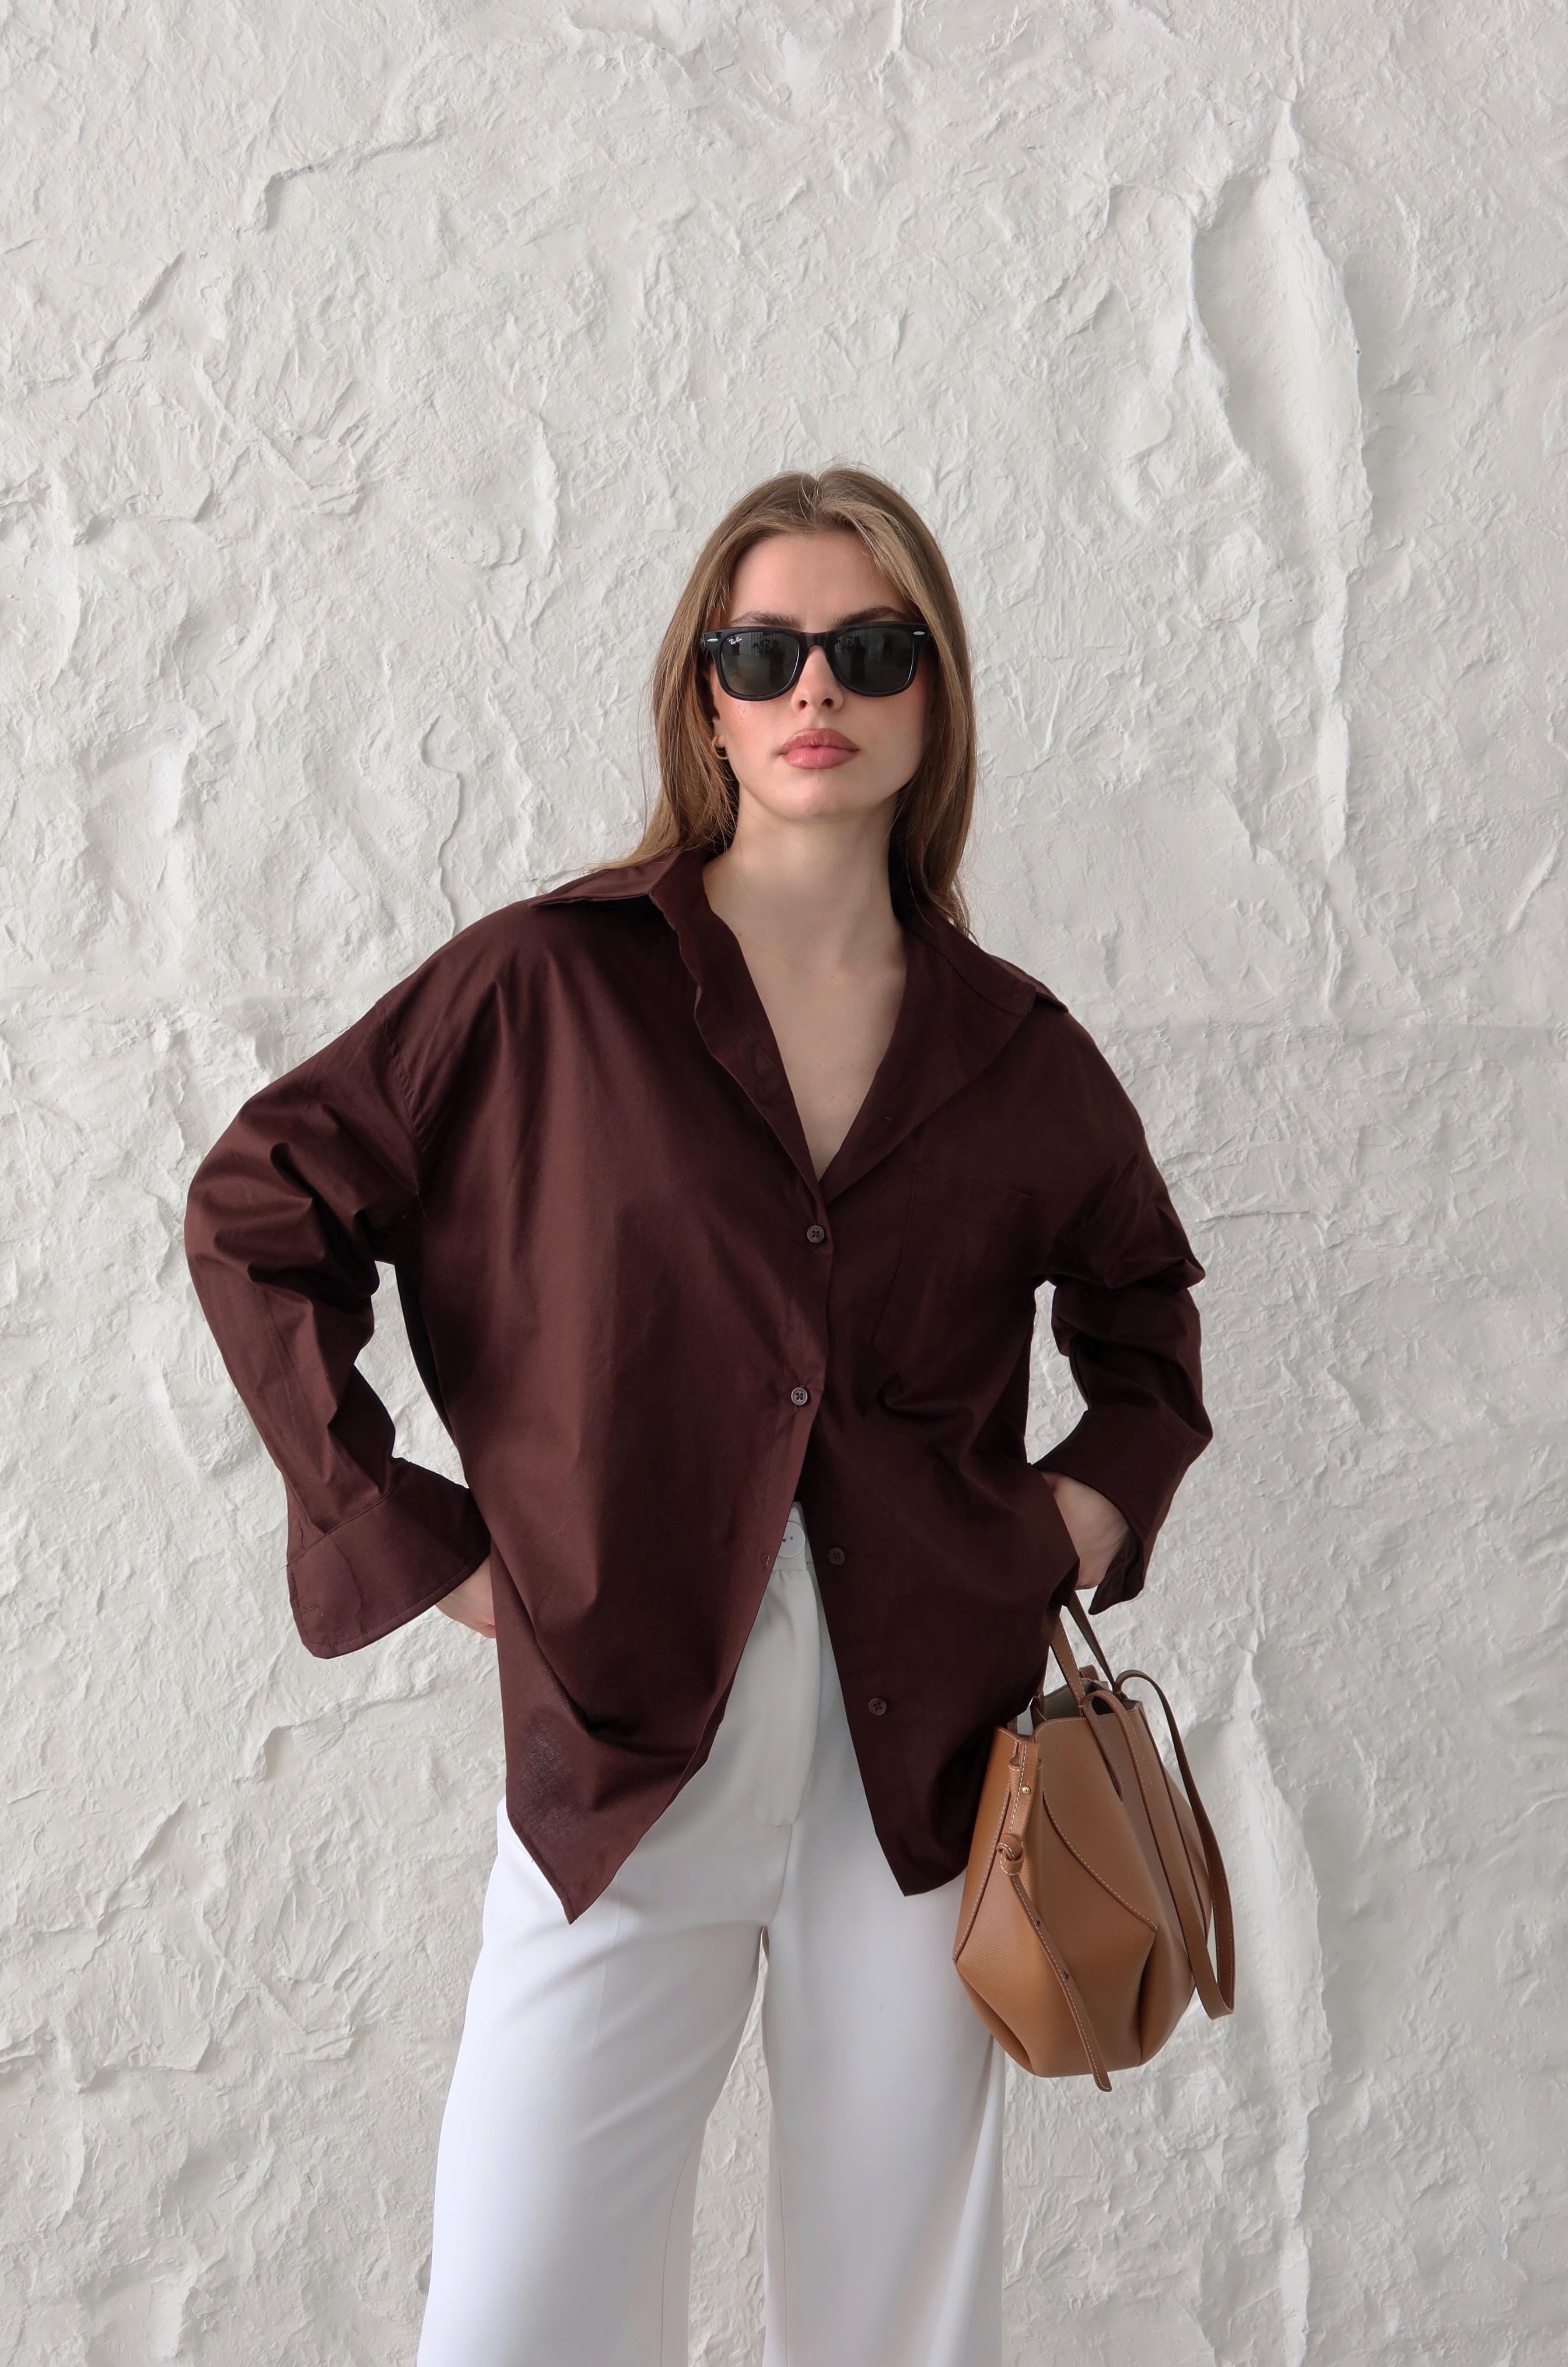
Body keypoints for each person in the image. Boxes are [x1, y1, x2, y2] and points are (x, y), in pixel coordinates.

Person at [183, 465, 1212, 2366]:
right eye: (765, 651)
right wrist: (421, 1545)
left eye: (873, 650)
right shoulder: (545, 989)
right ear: (706, 698)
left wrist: (1080, 1515)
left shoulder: (1016, 1048)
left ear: (935, 695)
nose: (817, 687)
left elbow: (1147, 1316)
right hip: (626, 1728)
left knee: (897, 2322)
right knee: (519, 2316)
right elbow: (262, 1208)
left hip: (926, 1768)